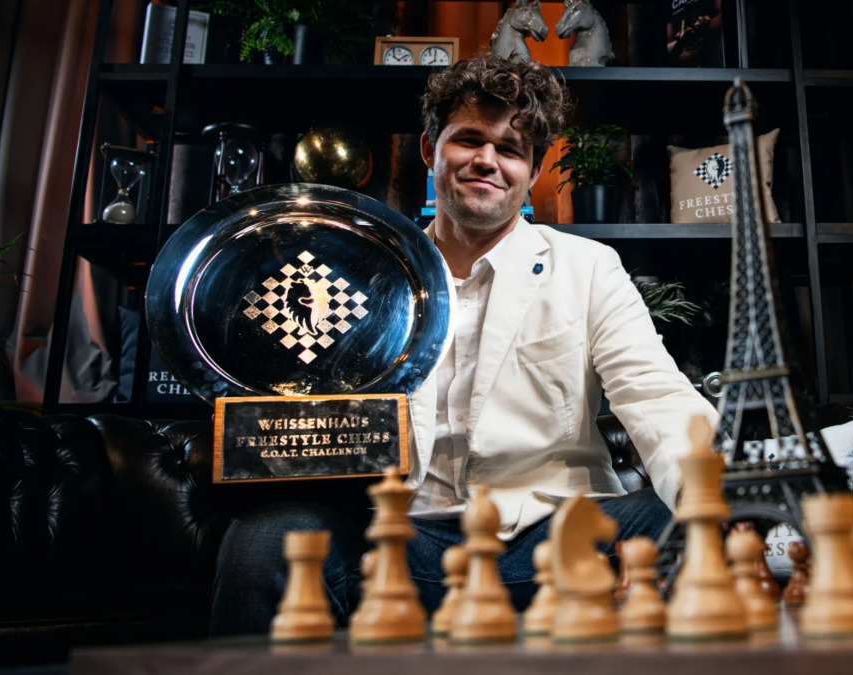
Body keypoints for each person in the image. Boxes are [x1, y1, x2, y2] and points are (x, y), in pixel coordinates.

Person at [209, 53, 717, 636]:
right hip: (397, 540)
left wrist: (709, 503)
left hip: (552, 537)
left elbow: (655, 396)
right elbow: (296, 399)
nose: (487, 161)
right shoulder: (362, 273)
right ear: (430, 149)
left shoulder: (588, 268)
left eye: (510, 149)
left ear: (533, 169)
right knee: (263, 540)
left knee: (659, 523)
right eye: (469, 140)